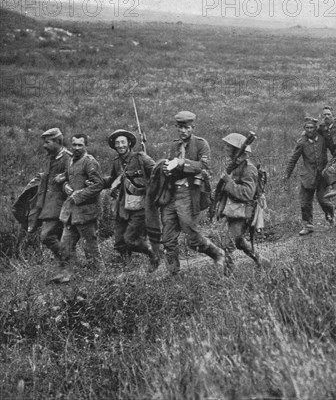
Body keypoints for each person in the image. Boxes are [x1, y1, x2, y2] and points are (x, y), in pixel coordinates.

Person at [161, 111, 225, 275]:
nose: (183, 131)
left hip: (189, 195)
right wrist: (167, 169)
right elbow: (171, 166)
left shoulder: (201, 144)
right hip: (171, 195)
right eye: (180, 128)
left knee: (192, 237)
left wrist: (182, 162)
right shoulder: (174, 146)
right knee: (168, 238)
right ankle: (173, 273)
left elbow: (204, 167)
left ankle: (217, 253)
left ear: (192, 127)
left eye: (186, 128)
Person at [49, 134, 104, 283]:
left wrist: (78, 195)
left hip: (86, 213)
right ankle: (66, 274)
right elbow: (69, 176)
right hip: (71, 213)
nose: (77, 148)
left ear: (86, 145)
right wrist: (64, 183)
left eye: (80, 145)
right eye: (74, 145)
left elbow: (98, 185)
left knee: (90, 246)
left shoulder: (90, 162)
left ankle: (98, 277)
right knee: (65, 244)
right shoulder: (71, 160)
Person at [104, 129, 160, 272]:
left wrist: (152, 191)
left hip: (140, 206)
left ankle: (153, 254)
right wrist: (96, 182)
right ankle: (128, 269)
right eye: (117, 143)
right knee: (119, 242)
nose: (120, 145)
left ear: (129, 143)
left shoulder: (141, 158)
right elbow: (111, 179)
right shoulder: (117, 162)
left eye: (123, 142)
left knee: (131, 239)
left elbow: (157, 173)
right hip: (123, 205)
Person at [216, 133, 269, 274]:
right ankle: (260, 259)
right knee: (238, 241)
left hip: (244, 212)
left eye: (229, 146)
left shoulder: (248, 169)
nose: (225, 148)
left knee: (228, 245)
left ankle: (229, 277)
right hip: (233, 209)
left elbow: (247, 194)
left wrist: (228, 182)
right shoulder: (234, 166)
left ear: (236, 149)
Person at [285, 117, 335, 235]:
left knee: (323, 199)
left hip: (323, 176)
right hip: (308, 176)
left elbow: (335, 151)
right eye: (307, 128)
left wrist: (334, 165)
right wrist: (287, 174)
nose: (309, 130)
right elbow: (293, 159)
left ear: (315, 128)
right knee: (305, 201)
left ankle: (330, 216)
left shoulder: (323, 139)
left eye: (312, 127)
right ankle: (308, 225)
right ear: (304, 129)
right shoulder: (302, 142)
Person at [28, 128, 72, 261]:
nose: (44, 146)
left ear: (58, 141)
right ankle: (63, 265)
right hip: (47, 204)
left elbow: (75, 177)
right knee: (57, 236)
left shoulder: (68, 158)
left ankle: (68, 260)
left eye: (47, 142)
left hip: (60, 205)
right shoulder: (51, 158)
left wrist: (64, 178)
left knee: (46, 236)